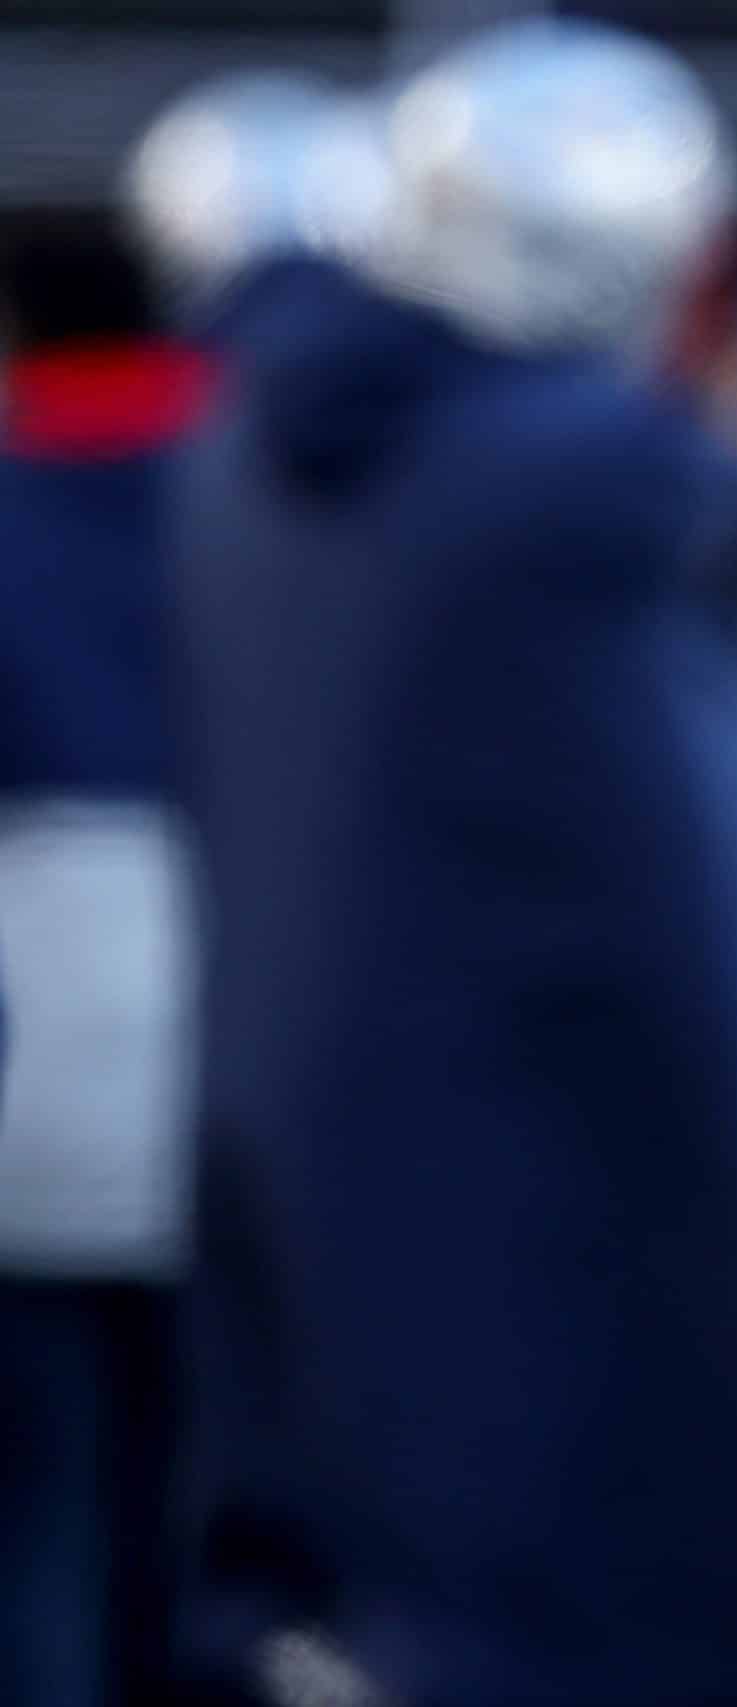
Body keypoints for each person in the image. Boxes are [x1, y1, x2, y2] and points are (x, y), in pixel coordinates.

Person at [168, 21, 737, 1703]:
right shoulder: (585, 530)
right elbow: (706, 1054)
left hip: (348, 1391)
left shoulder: (269, 484)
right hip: (590, 1444)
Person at [0, 211, 209, 1707]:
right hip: (239, 1054)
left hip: (33, 1064)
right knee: (205, 1518)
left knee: (42, 1516)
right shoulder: (255, 494)